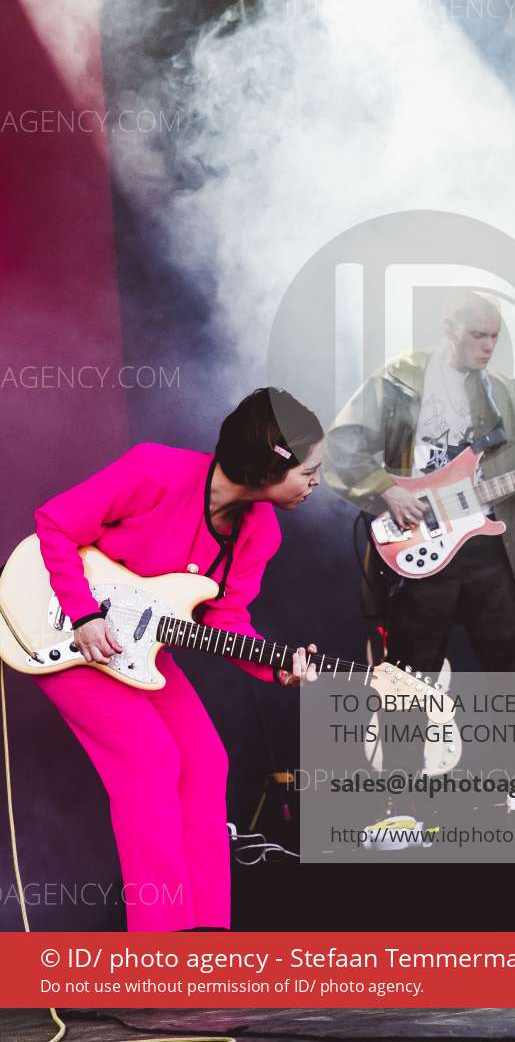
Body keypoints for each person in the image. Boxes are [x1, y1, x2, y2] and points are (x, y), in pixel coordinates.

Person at [32, 387, 322, 932]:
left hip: (140, 651)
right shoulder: (156, 471)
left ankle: (205, 937)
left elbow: (226, 620)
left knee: (207, 762)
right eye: (309, 471)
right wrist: (84, 613)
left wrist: (278, 666)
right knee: (150, 760)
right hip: (68, 635)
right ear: (269, 467)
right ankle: (160, 942)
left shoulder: (260, 531)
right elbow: (56, 524)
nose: (316, 483)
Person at [324, 292, 515, 674]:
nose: (488, 346)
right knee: (411, 677)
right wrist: (387, 488)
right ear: (449, 329)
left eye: (495, 336)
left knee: (512, 671)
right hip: (419, 538)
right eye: (478, 335)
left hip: (491, 548)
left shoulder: (505, 394)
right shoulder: (401, 378)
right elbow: (342, 443)